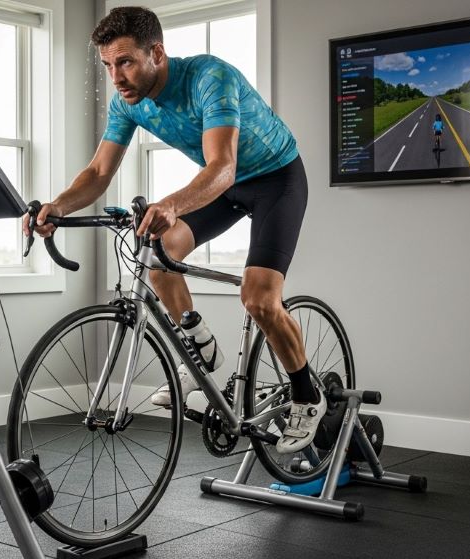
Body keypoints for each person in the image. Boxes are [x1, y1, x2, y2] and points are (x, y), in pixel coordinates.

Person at [23, 7, 322, 454]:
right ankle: (200, 347)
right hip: (225, 185)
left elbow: (222, 166)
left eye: (125, 62)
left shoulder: (210, 78)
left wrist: (172, 204)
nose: (116, 77)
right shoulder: (128, 102)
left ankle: (307, 395)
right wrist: (58, 206)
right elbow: (99, 172)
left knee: (260, 298)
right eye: (108, 65)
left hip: (275, 179)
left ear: (157, 54)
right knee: (158, 253)